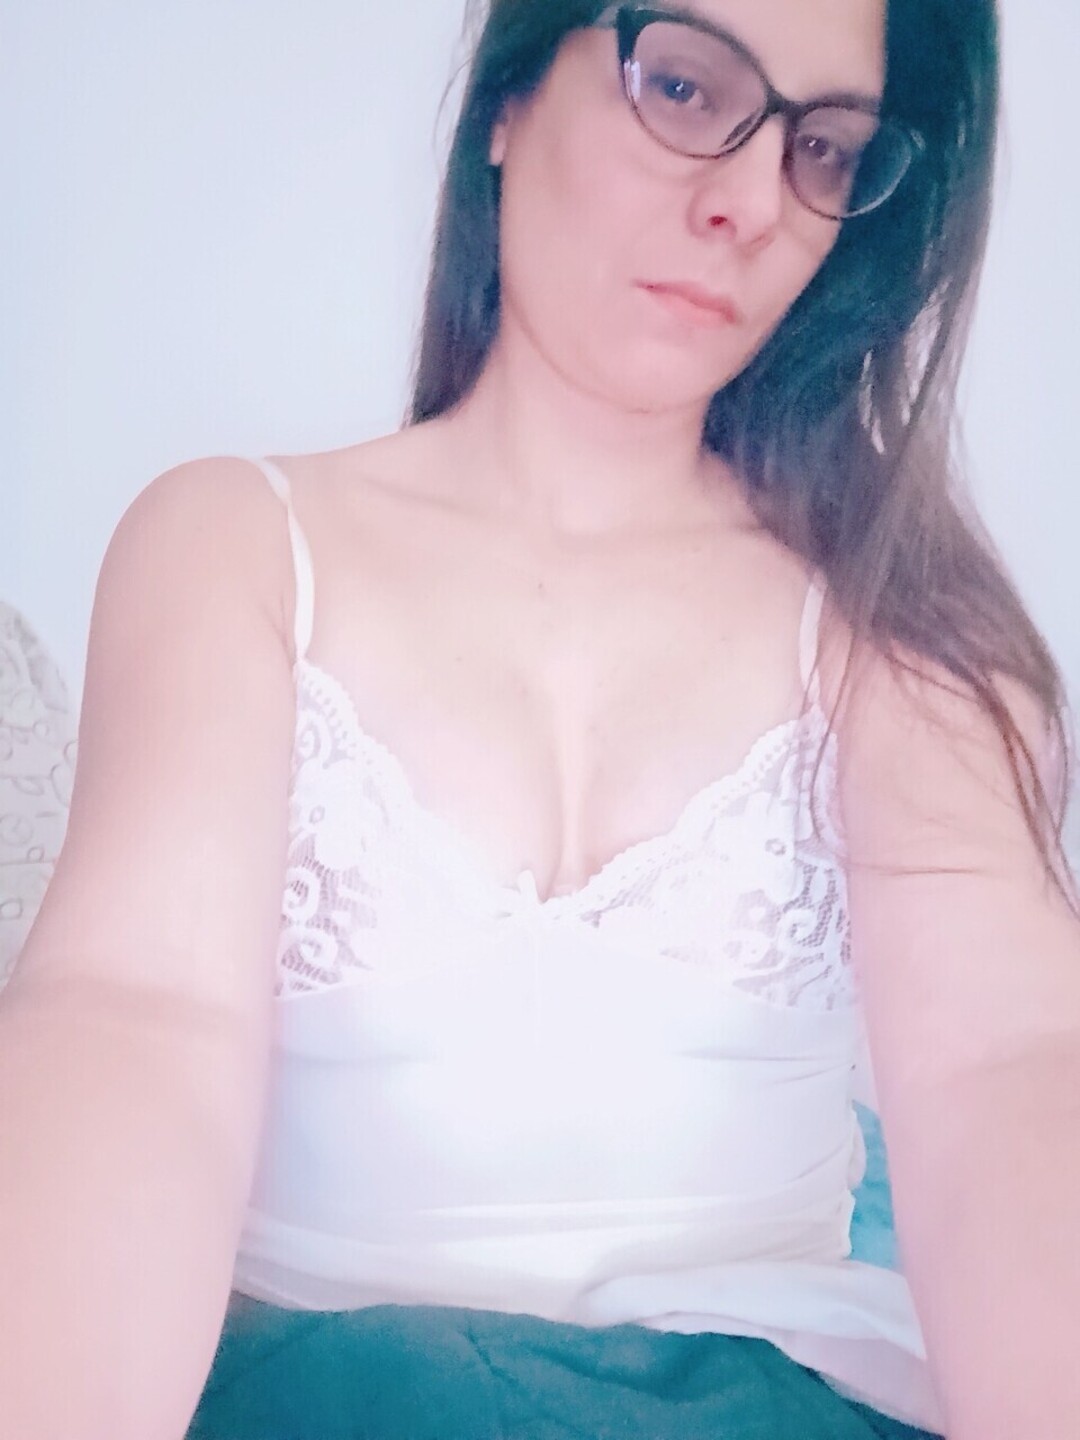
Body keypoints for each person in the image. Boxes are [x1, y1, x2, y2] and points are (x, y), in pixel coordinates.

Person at [1, 1, 1078, 1437]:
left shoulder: (898, 626)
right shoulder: (236, 545)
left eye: (824, 149)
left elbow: (1008, 1068)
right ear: (509, 100)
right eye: (686, 88)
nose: (753, 202)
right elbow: (134, 1017)